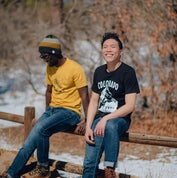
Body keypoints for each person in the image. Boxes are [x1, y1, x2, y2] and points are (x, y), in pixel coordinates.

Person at [5, 34, 89, 178]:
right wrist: (47, 112)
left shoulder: (75, 68)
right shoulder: (50, 67)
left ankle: (43, 167)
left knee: (42, 129)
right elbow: (49, 91)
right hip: (52, 111)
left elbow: (85, 96)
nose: (44, 60)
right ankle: (10, 174)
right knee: (28, 144)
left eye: (46, 57)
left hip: (70, 112)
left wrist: (88, 120)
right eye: (42, 57)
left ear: (55, 53)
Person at [82, 32, 140, 178]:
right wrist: (88, 126)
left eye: (113, 47)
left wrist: (106, 119)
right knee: (89, 164)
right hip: (99, 120)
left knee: (111, 125)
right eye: (105, 46)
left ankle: (109, 169)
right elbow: (94, 101)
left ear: (120, 51)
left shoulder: (128, 72)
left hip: (120, 119)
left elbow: (130, 106)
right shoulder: (99, 72)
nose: (108, 49)